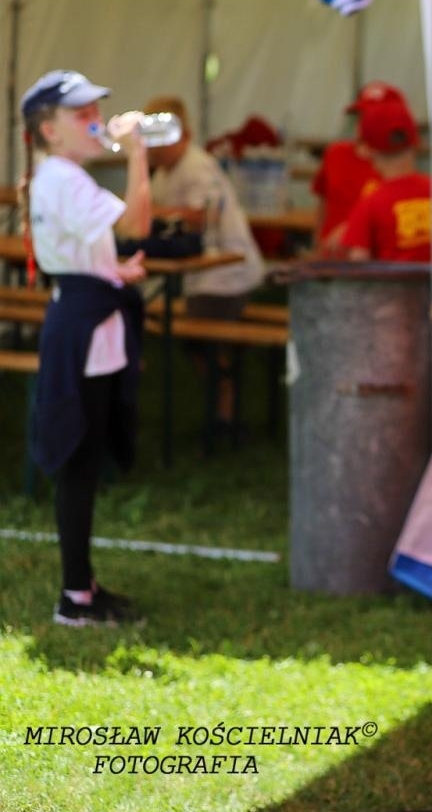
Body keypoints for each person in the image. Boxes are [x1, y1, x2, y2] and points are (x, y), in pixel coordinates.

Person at [20, 70, 151, 626]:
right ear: (48, 130)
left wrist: (110, 269)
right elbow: (139, 221)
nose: (95, 120)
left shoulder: (57, 176)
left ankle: (82, 585)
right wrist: (139, 154)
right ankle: (75, 597)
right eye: (81, 114)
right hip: (82, 328)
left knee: (85, 457)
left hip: (81, 315)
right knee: (79, 460)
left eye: (95, 108)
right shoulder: (65, 179)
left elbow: (71, 251)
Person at [146, 96, 266, 423]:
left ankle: (224, 408)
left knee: (198, 336)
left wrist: (152, 213)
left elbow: (201, 217)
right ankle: (222, 403)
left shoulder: (195, 165)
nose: (153, 148)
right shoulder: (163, 174)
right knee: (193, 334)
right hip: (204, 275)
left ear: (182, 134)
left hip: (228, 273)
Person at [338, 90, 432, 263]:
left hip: (392, 289)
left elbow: (359, 262)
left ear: (368, 150)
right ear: (416, 143)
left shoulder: (370, 203)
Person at [310, 82, 387, 253]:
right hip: (331, 258)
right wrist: (316, 245)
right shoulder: (335, 153)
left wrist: (352, 228)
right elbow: (323, 202)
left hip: (372, 264)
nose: (364, 122)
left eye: (374, 117)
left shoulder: (393, 167)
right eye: (361, 115)